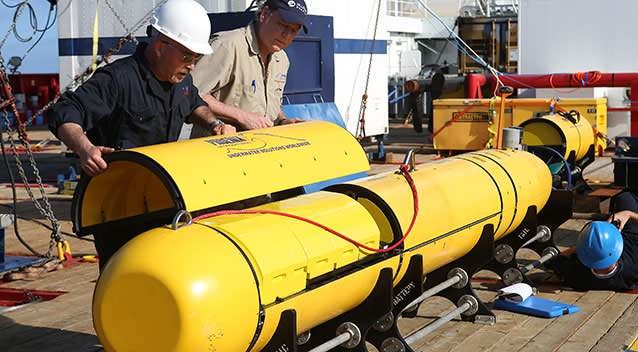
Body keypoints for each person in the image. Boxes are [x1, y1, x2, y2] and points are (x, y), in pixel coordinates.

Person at [46, 0, 235, 269]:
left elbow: (193, 102)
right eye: (187, 56)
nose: (192, 65)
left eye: (197, 58)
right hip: (120, 209)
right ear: (160, 47)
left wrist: (215, 123)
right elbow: (64, 111)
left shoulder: (180, 80)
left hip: (162, 199)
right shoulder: (118, 79)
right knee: (126, 279)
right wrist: (85, 148)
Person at [189, 0, 307, 136]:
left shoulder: (282, 60)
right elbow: (190, 95)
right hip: (217, 150)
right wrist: (241, 116)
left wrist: (283, 121)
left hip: (261, 149)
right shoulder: (227, 46)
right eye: (282, 25)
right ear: (264, 14)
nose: (286, 35)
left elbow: (269, 105)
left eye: (293, 30)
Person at [552, 191, 638, 291]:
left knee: (624, 197)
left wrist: (584, 246)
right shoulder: (633, 266)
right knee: (625, 196)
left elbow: (558, 260)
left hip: (618, 239)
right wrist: (629, 214)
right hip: (631, 235)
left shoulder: (576, 276)